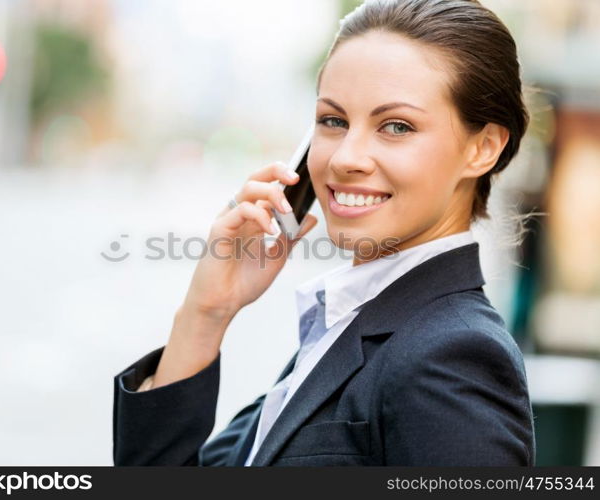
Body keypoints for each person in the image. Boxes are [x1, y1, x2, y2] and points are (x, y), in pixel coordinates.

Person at [112, 0, 536, 466]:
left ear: (484, 147)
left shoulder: (451, 357)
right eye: (333, 121)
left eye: (396, 126)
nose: (343, 158)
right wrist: (206, 311)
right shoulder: (352, 327)